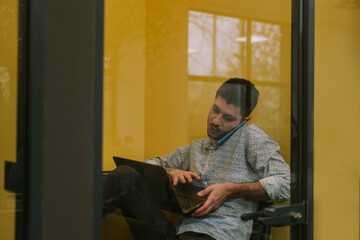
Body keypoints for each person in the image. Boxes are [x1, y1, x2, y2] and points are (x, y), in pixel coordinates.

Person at [103, 78, 290, 240]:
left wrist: (230, 189)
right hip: (178, 234)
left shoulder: (250, 137)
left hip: (220, 235)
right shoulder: (195, 148)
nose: (216, 120)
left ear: (244, 119)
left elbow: (286, 183)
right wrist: (170, 171)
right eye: (215, 109)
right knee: (125, 176)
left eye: (227, 117)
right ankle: (75, 224)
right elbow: (148, 166)